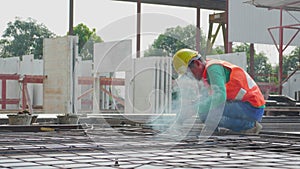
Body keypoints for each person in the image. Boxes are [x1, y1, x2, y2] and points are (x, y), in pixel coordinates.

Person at [172, 48, 265, 134]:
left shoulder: (213, 68)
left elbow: (220, 96)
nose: (190, 77)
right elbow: (209, 98)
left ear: (197, 63)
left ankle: (250, 126)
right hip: (242, 105)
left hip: (252, 107)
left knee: (207, 113)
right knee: (205, 113)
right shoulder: (206, 76)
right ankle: (214, 131)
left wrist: (194, 108)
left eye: (189, 73)